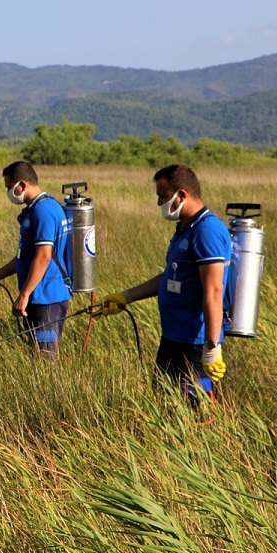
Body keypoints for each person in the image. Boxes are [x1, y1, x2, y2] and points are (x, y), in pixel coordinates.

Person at [90, 164, 232, 398]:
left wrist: (211, 347)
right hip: (172, 339)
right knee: (164, 404)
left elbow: (214, 291)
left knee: (194, 414)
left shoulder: (207, 230)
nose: (159, 204)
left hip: (194, 345)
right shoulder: (185, 228)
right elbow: (170, 276)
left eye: (163, 197)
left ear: (182, 195)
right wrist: (126, 297)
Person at [0, 160, 73, 356]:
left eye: (10, 187)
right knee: (36, 353)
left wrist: (24, 295)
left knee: (45, 356)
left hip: (47, 300)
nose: (9, 192)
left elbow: (43, 256)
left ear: (22, 185)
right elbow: (25, 256)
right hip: (39, 297)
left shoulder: (43, 210)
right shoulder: (37, 208)